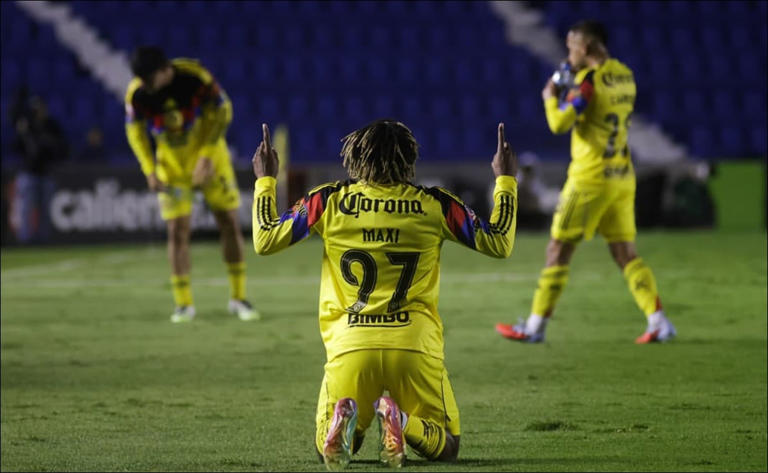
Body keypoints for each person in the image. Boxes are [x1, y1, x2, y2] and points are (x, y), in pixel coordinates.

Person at [251, 121, 518, 469]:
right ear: (410, 159)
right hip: (414, 347)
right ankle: (401, 421)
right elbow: (499, 241)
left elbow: (265, 239)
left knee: (328, 448)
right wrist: (505, 179)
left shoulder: (329, 201)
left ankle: (347, 420)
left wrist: (266, 180)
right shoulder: (434, 205)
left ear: (355, 158)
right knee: (448, 445)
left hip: (351, 347)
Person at [495, 20, 676, 344]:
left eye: (572, 46)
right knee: (625, 252)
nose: (569, 53)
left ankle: (534, 327)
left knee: (558, 249)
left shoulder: (587, 83)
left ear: (587, 47)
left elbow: (559, 123)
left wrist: (550, 96)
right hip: (621, 176)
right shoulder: (624, 75)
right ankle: (658, 320)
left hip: (590, 180)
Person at [124, 46, 259, 323]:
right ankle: (183, 304)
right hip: (172, 168)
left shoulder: (195, 77)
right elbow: (135, 131)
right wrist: (149, 169)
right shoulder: (137, 93)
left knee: (229, 222)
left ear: (164, 70)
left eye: (149, 79)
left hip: (211, 161)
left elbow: (223, 111)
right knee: (177, 231)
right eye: (141, 80)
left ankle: (239, 298)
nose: (145, 85)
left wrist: (207, 156)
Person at [10, 89, 69, 243]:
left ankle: (44, 241)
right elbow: (17, 147)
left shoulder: (51, 125)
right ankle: (25, 241)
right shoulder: (27, 127)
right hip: (29, 173)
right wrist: (23, 134)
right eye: (35, 109)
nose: (38, 112)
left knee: (46, 210)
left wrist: (45, 143)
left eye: (40, 108)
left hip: (46, 173)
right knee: (26, 209)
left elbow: (61, 147)